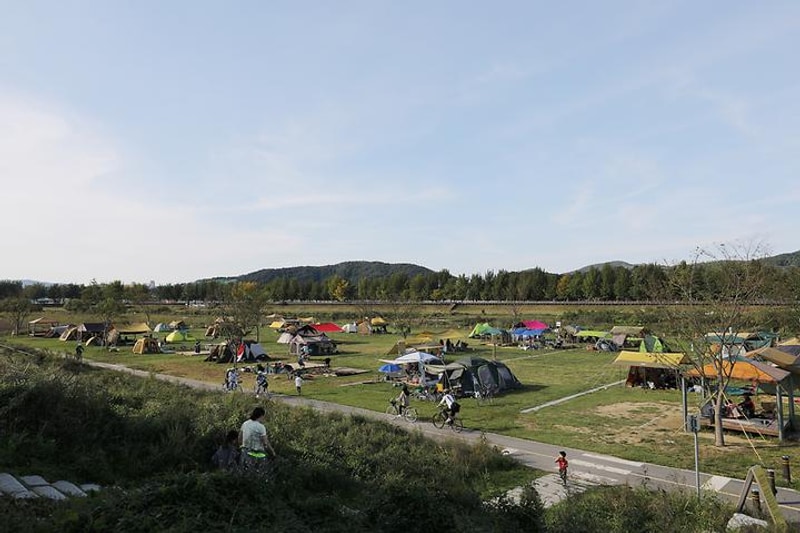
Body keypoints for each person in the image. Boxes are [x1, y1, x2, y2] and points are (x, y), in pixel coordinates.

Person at [238, 407, 276, 473]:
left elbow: (239, 439)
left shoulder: (245, 423)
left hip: (245, 452)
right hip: (257, 454)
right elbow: (265, 443)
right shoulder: (261, 427)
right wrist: (272, 452)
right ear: (261, 416)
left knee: (244, 473)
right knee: (259, 473)